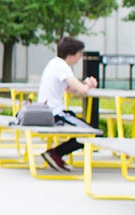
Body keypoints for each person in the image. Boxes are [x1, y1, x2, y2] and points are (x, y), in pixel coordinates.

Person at [36, 36, 98, 172]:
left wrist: (85, 84)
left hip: (47, 111)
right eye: (80, 54)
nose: (80, 57)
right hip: (54, 112)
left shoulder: (54, 63)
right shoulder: (61, 66)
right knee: (91, 132)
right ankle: (56, 153)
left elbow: (69, 89)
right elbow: (81, 90)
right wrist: (89, 84)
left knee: (84, 125)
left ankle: (56, 154)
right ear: (72, 54)